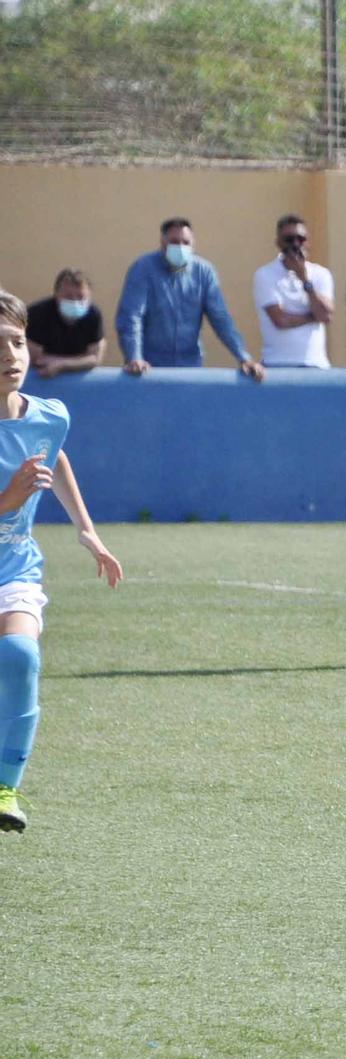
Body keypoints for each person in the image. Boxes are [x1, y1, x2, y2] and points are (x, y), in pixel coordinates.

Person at [0, 289, 124, 834]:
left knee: (21, 657)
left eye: (18, 342)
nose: (13, 356)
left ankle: (6, 787)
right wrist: (10, 497)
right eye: (0, 346)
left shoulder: (49, 415)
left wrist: (87, 532)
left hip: (15, 567)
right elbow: (23, 485)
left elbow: (56, 456)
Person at [115, 217, 264, 380]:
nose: (180, 247)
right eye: (174, 241)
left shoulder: (204, 272)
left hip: (190, 366)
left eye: (185, 242)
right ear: (162, 242)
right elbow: (131, 316)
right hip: (148, 368)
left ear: (193, 244)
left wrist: (244, 357)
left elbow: (220, 318)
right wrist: (134, 357)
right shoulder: (143, 268)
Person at [253, 214, 335, 369]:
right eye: (289, 239)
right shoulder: (265, 274)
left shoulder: (321, 274)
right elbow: (280, 320)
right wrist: (313, 317)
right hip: (277, 364)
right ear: (278, 242)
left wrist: (304, 279)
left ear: (308, 242)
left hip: (315, 364)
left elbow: (325, 315)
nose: (295, 244)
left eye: (301, 239)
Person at [24, 270, 104, 378]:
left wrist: (61, 364)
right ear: (56, 295)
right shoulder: (37, 314)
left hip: (77, 377)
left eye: (81, 297)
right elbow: (35, 359)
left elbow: (94, 358)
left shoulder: (94, 315)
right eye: (68, 296)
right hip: (38, 377)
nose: (75, 302)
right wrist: (78, 361)